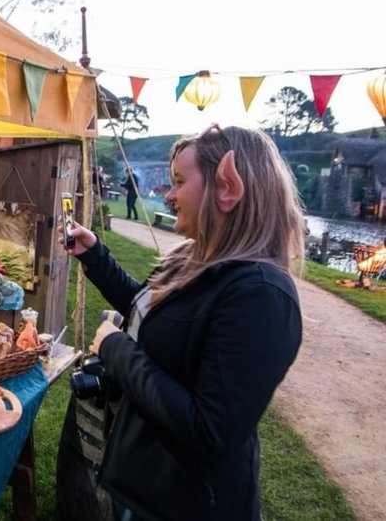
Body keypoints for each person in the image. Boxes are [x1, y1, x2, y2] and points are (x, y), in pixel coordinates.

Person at [58, 124, 305, 520]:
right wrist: (95, 256)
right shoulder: (196, 258)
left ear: (227, 187)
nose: (169, 195)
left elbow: (209, 432)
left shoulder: (261, 294)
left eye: (179, 182)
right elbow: (153, 316)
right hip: (146, 486)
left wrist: (114, 348)